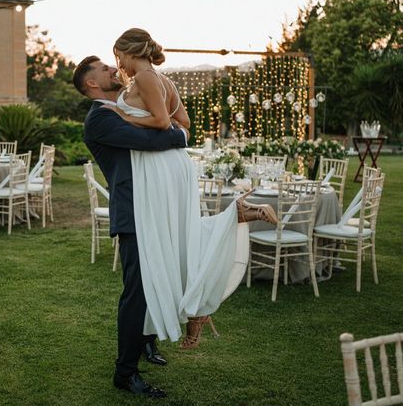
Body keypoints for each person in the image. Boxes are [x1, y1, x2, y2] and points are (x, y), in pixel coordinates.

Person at [106, 28, 277, 347]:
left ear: (131, 52)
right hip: (174, 164)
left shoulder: (144, 78)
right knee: (178, 239)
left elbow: (160, 121)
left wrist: (122, 119)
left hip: (157, 167)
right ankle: (194, 303)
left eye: (119, 56)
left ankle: (193, 299)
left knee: (163, 242)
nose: (119, 63)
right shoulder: (164, 80)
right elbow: (182, 124)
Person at [73, 55, 188, 399]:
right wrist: (180, 133)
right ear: (92, 84)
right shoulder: (99, 119)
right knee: (136, 291)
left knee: (157, 279)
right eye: (105, 69)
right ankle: (125, 373)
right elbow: (154, 140)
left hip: (155, 207)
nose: (114, 69)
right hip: (134, 211)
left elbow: (155, 124)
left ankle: (146, 343)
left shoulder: (124, 106)